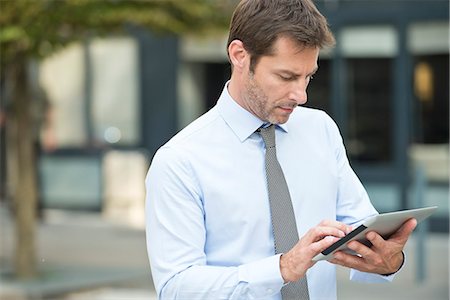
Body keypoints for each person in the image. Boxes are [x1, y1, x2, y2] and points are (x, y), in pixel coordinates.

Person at [145, 0, 417, 299]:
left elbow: (360, 225)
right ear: (239, 56)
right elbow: (175, 288)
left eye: (308, 77)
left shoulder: (321, 130)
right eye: (286, 77)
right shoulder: (180, 160)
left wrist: (388, 261)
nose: (300, 95)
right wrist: (283, 269)